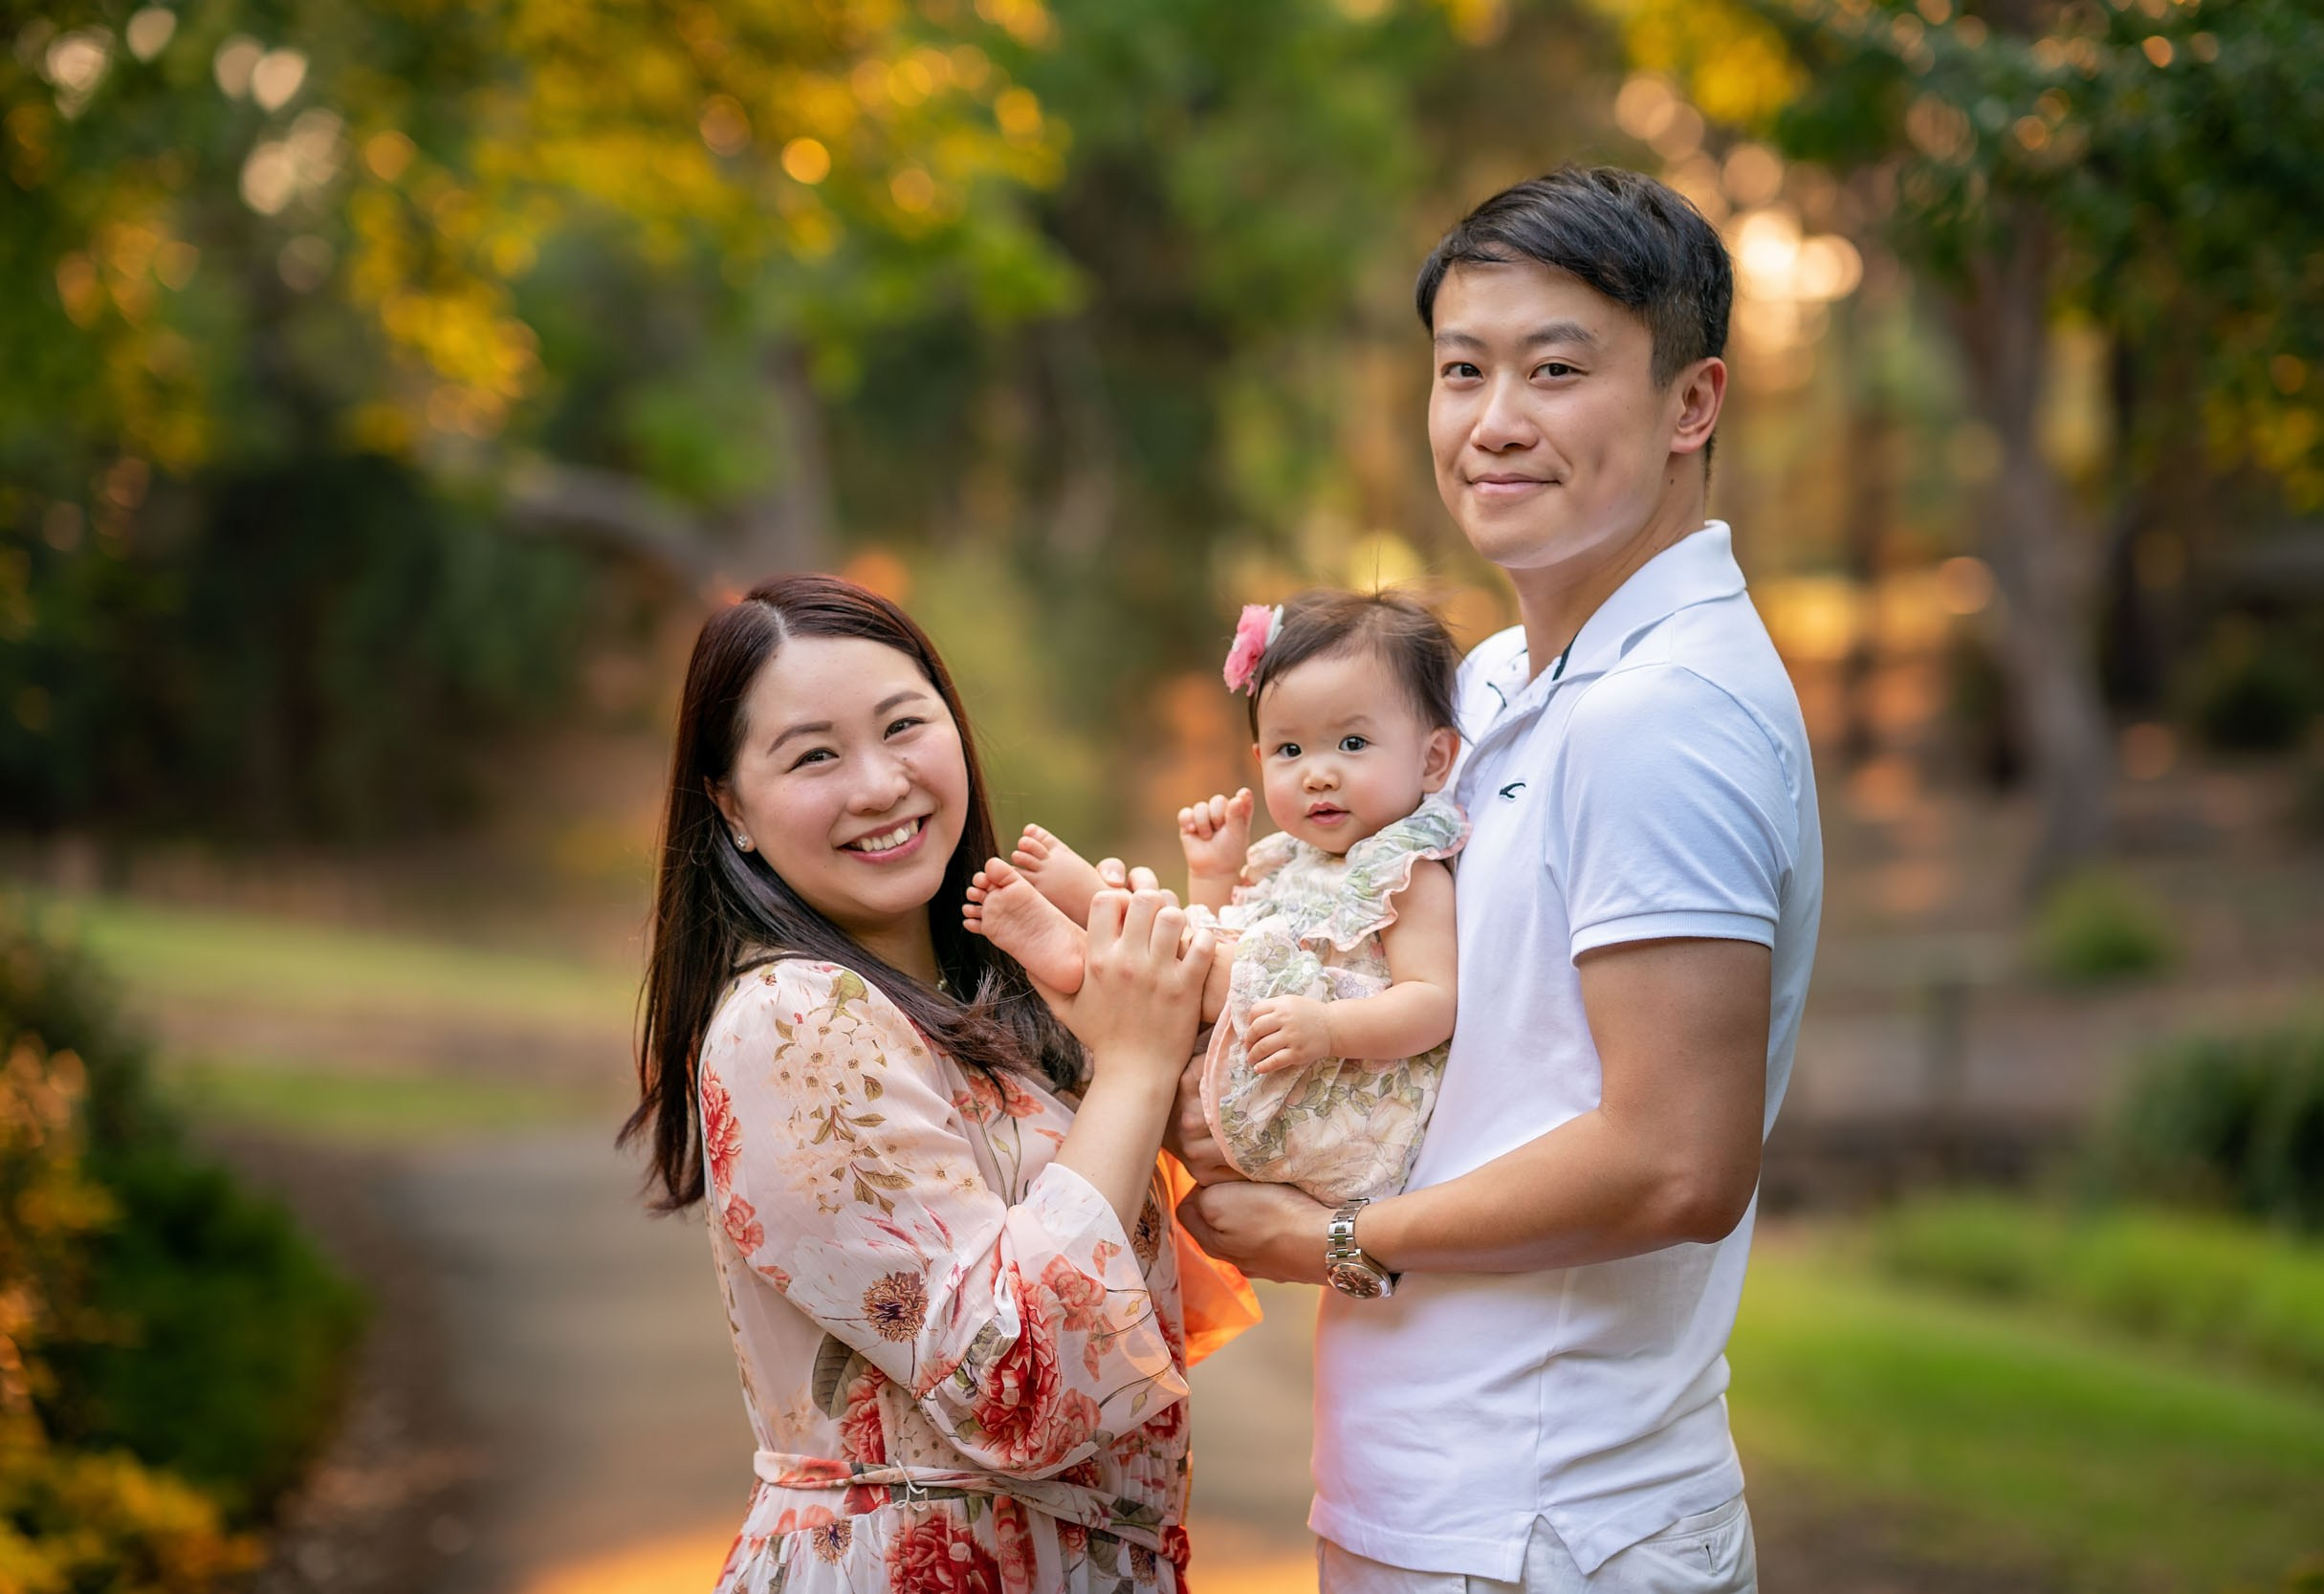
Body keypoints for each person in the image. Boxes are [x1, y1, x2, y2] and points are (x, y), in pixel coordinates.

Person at [1179, 165, 1824, 1592]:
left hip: (1553, 1525)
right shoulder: (1489, 685)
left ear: (1690, 405)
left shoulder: (1667, 713)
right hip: (1446, 1499)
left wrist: (1339, 1237)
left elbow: (1677, 1156)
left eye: (1556, 368)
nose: (1494, 421)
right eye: (1463, 369)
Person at [623, 575, 1243, 1594]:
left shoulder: (992, 1001)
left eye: (904, 725)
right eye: (814, 753)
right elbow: (1016, 1387)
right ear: (730, 806)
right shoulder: (795, 1018)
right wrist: (1134, 1064)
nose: (877, 783)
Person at [963, 587, 1466, 1206]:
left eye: (1353, 743)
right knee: (1206, 950)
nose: (1317, 772)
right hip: (1259, 1054)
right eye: (1290, 749)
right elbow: (1235, 926)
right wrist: (1216, 871)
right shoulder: (1293, 857)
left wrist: (1330, 1027)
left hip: (1341, 1091)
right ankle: (1102, 942)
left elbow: (1432, 1000)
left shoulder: (1407, 872)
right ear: (1258, 758)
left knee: (1213, 964)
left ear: (1434, 758)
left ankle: (1095, 928)